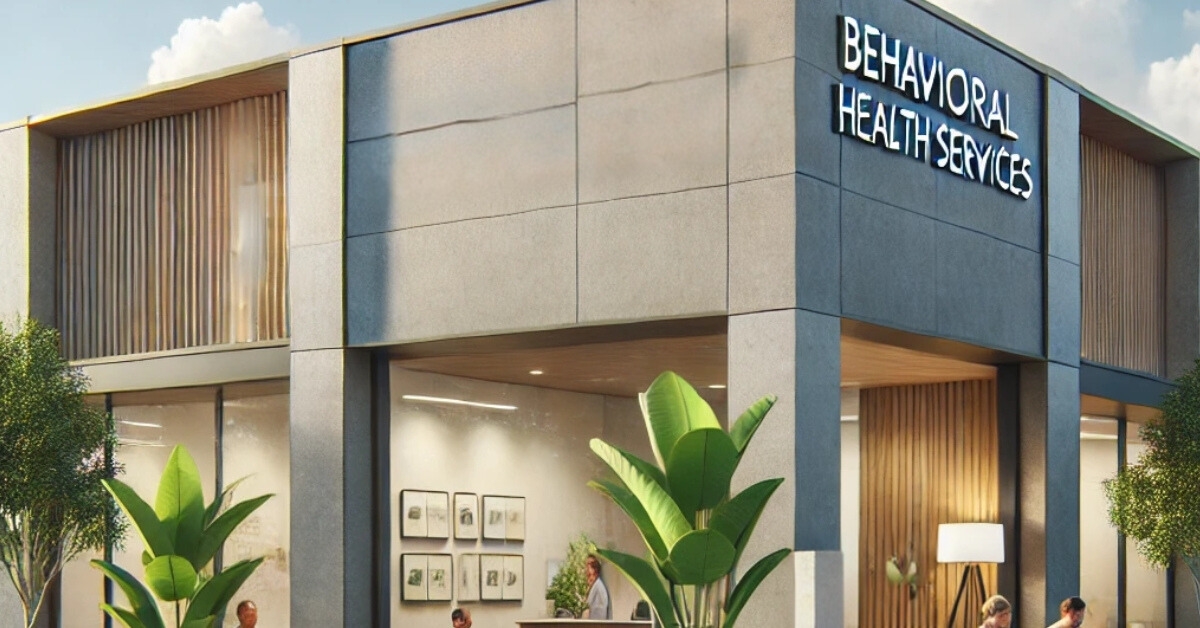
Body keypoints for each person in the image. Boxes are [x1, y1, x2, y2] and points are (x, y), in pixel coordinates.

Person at [583, 554, 611, 619]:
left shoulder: (598, 589)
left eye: (587, 567)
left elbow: (597, 618)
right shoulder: (594, 586)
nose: (585, 571)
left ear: (594, 570)